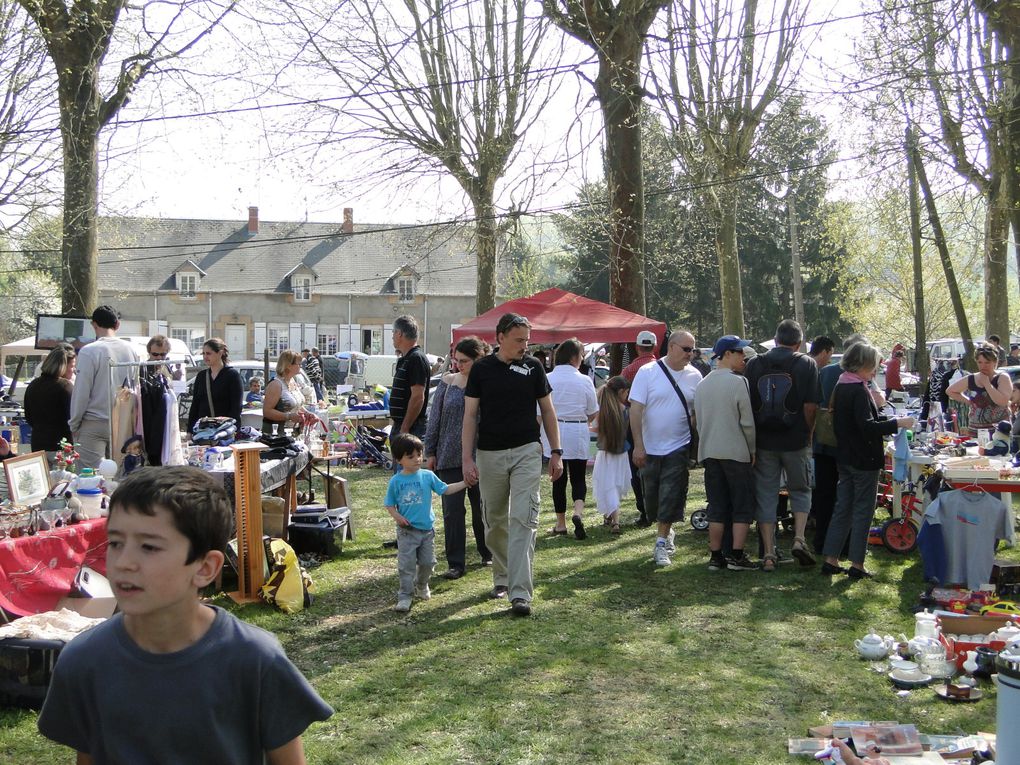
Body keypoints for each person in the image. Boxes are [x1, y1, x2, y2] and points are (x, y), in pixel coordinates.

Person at [36, 466, 333, 762]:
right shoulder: (84, 660)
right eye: (115, 543)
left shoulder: (254, 659)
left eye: (149, 547)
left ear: (205, 568)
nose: (124, 562)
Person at [462, 313, 563, 617]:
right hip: (489, 453)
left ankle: (520, 592)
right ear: (500, 337)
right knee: (494, 520)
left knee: (523, 519)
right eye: (519, 340)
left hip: (526, 451)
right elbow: (470, 416)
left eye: (527, 341)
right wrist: (466, 458)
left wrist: (555, 450)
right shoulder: (481, 369)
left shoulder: (533, 367)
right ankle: (502, 577)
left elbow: (547, 410)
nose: (524, 346)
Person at [821, 342, 914, 579]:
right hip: (863, 458)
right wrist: (898, 423)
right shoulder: (857, 389)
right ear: (863, 364)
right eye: (874, 364)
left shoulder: (843, 384)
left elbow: (857, 421)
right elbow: (866, 427)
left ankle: (831, 559)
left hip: (846, 456)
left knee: (843, 508)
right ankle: (857, 563)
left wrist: (886, 417)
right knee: (863, 510)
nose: (876, 369)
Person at [744, 319, 819, 572]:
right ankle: (798, 538)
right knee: (800, 489)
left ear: (775, 340)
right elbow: (810, 406)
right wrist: (808, 432)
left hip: (763, 441)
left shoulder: (754, 364)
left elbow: (749, 405)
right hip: (795, 440)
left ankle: (767, 553)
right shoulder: (806, 363)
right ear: (798, 343)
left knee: (766, 493)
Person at [630, 330, 701, 567]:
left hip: (678, 447)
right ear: (671, 347)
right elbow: (636, 410)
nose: (690, 354)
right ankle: (665, 530)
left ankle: (661, 543)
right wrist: (638, 445)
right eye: (686, 349)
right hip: (649, 447)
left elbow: (695, 414)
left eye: (693, 350)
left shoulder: (695, 376)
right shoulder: (647, 372)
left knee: (671, 495)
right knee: (652, 502)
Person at [424, 336, 492, 580]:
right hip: (448, 455)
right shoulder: (447, 382)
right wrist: (429, 452)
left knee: (482, 508)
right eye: (456, 360)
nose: (458, 365)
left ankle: (487, 552)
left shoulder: (488, 384)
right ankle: (456, 562)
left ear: (479, 359)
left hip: (481, 455)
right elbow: (435, 419)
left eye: (464, 361)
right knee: (452, 511)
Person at [694, 335, 758, 572]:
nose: (744, 357)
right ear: (727, 355)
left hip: (710, 451)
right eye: (740, 352)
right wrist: (752, 449)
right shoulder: (738, 382)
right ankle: (737, 556)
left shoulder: (702, 384)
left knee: (717, 505)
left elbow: (699, 422)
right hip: (736, 451)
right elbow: (747, 423)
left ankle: (716, 555)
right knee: (742, 504)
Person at [385, 433, 468, 612]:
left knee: (428, 563)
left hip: (426, 531)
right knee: (406, 566)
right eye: (411, 456)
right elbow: (389, 504)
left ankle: (421, 585)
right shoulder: (396, 481)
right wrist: (398, 517)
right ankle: (405, 596)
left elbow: (445, 489)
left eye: (419, 454)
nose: (417, 459)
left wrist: (464, 483)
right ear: (399, 460)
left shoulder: (427, 476)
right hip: (407, 531)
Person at [68, 305, 139, 469]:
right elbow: (135, 387)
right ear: (117, 325)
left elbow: (81, 392)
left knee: (90, 479)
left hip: (94, 421)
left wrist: (74, 423)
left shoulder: (88, 351)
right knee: (121, 475)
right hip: (123, 421)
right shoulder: (131, 350)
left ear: (94, 325)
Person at [543, 338, 598, 540]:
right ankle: (578, 511)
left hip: (555, 430)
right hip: (578, 430)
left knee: (558, 479)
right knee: (578, 477)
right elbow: (592, 412)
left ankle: (560, 523)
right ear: (575, 357)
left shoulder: (547, 378)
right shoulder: (584, 380)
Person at [621, 330, 658, 525]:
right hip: (659, 422)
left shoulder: (629, 370)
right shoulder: (661, 367)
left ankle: (644, 511)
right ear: (655, 346)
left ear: (637, 347)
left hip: (634, 423)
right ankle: (658, 508)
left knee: (637, 465)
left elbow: (620, 395)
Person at [809, 336, 839, 554]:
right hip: (839, 444)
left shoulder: (821, 373)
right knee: (840, 495)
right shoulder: (836, 373)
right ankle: (837, 541)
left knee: (823, 492)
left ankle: (820, 539)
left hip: (820, 442)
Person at [592, 376, 631, 534]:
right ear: (621, 392)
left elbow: (593, 433)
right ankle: (613, 518)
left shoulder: (601, 410)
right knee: (616, 484)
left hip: (604, 453)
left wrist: (592, 454)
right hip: (621, 454)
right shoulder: (625, 410)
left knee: (606, 484)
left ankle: (612, 518)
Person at [947, 344, 1012, 435]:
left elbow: (1002, 401)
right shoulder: (972, 378)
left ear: (995, 362)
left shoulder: (1002, 377)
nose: (983, 366)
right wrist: (970, 401)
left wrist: (987, 384)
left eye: (987, 362)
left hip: (999, 431)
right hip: (976, 430)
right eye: (980, 362)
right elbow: (950, 391)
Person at [24, 343, 75, 455]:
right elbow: (73, 418)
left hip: (38, 443)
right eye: (72, 366)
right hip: (62, 444)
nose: (73, 370)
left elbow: (28, 417)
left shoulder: (32, 385)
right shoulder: (65, 386)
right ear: (63, 366)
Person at [187, 338, 243, 432]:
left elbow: (236, 408)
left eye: (208, 353)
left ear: (220, 353)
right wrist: (190, 430)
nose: (205, 357)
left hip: (224, 431)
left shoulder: (232, 376)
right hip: (203, 430)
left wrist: (230, 430)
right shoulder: (201, 376)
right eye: (203, 353)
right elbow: (195, 406)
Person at [390, 315, 431, 438]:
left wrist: (405, 427)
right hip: (402, 425)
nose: (392, 336)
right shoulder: (407, 358)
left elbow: (418, 396)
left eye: (393, 332)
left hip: (412, 427)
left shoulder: (416, 359)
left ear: (400, 334)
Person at [263, 350, 318, 435]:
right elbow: (267, 411)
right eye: (298, 364)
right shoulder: (276, 384)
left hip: (293, 432)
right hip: (277, 435)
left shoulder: (292, 381)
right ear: (288, 365)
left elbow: (296, 405)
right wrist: (288, 416)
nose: (301, 366)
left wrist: (307, 414)